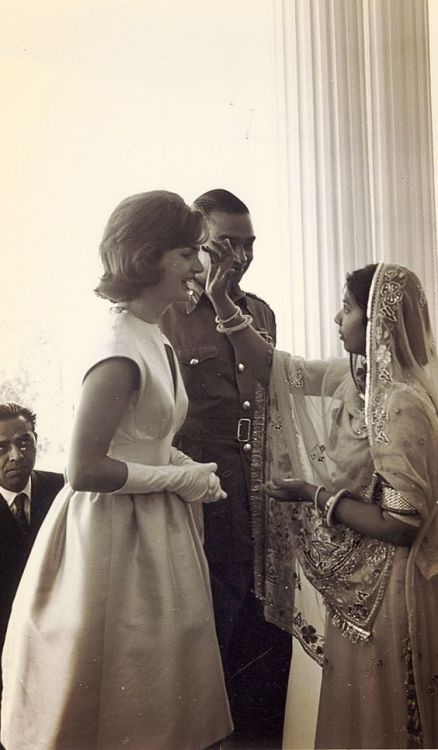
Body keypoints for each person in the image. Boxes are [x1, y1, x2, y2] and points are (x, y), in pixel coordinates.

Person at [1, 191, 232, 750]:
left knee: (162, 687)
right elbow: (83, 469)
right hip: (111, 538)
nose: (199, 266)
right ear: (148, 257)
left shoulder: (153, 336)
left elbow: (147, 438)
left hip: (154, 530)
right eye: (186, 253)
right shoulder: (115, 346)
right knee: (123, 689)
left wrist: (184, 463)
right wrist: (178, 478)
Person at [206, 249, 438, 748]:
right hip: (353, 579)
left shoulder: (400, 405)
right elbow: (273, 366)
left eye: (347, 307)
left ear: (377, 320)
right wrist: (223, 301)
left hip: (390, 587)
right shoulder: (351, 379)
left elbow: (403, 523)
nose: (337, 317)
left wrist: (314, 494)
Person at [161, 189, 292, 749]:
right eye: (226, 244)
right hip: (198, 491)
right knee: (207, 615)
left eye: (249, 245)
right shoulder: (167, 313)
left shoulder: (259, 313)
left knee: (258, 622)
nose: (241, 257)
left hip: (258, 489)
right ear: (198, 245)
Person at [0, 402, 63, 697]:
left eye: (24, 442)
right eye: (1, 448)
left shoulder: (65, 490)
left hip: (59, 638)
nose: (16, 456)